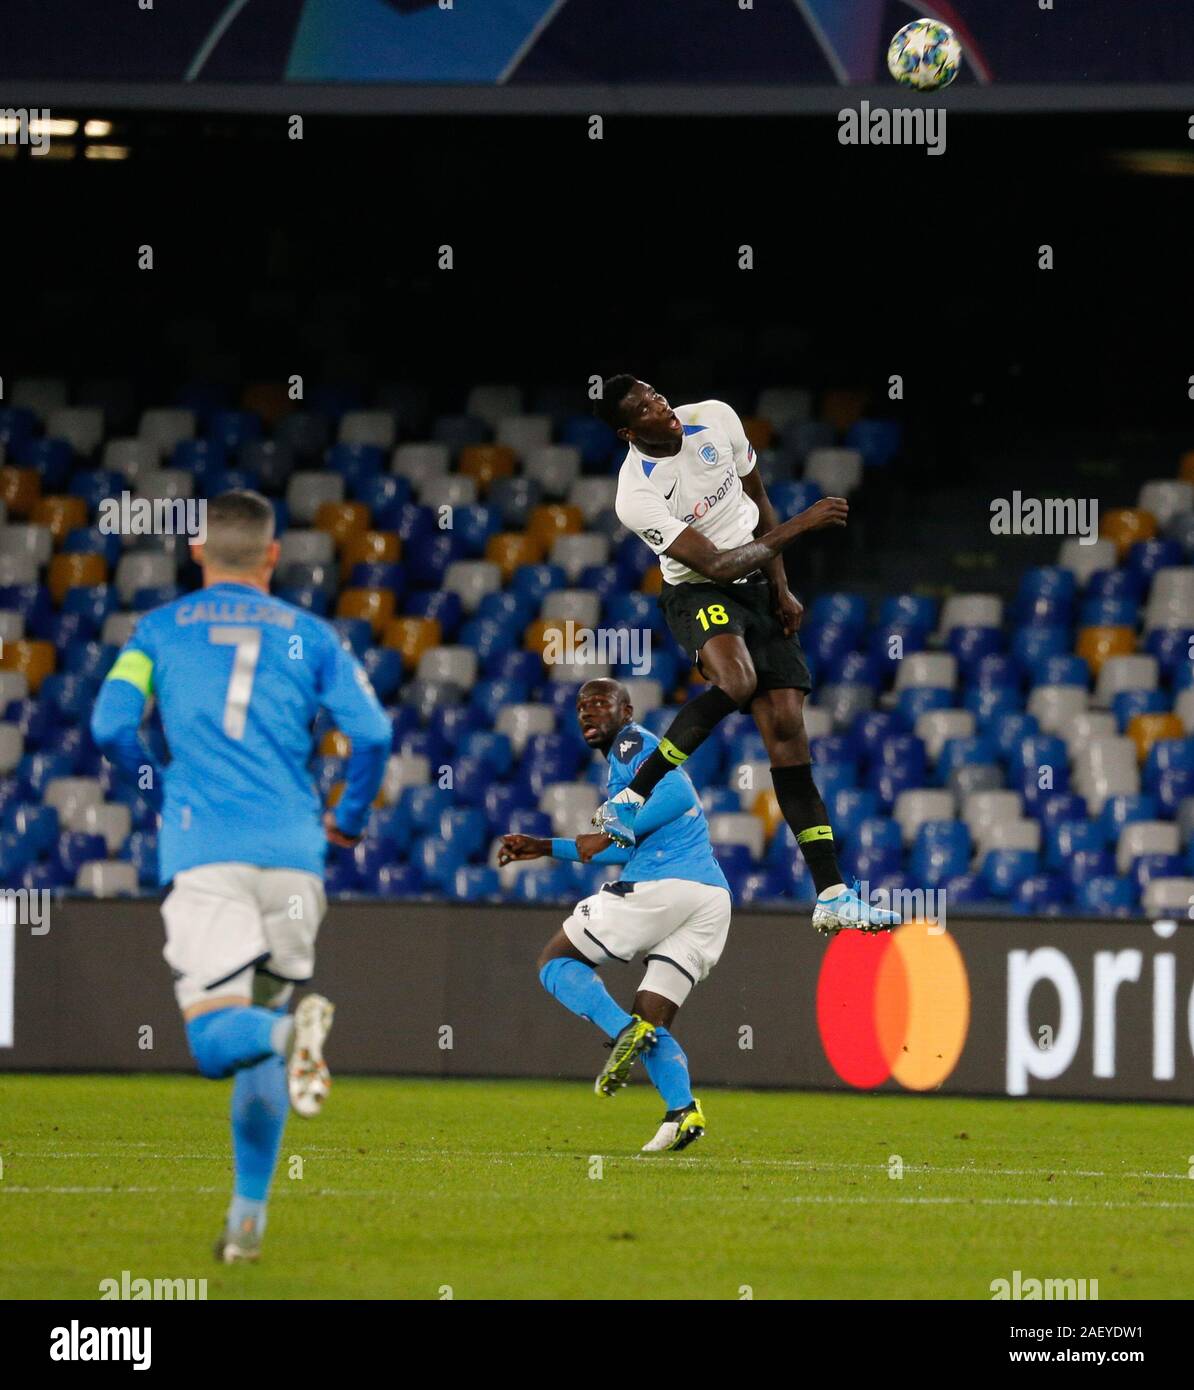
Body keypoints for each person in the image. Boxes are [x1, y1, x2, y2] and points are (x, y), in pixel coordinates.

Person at [90, 489, 391, 1261]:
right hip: (295, 861)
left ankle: (297, 1033)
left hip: (208, 855)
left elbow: (110, 725)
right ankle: (247, 1224)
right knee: (255, 1036)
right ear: (271, 555)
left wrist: (157, 780)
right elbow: (373, 733)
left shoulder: (154, 632)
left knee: (220, 1038)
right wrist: (349, 819)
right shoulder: (311, 635)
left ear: (196, 551)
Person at [593, 376, 898, 935]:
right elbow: (717, 566)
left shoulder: (716, 416)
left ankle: (832, 893)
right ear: (628, 431)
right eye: (645, 409)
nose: (661, 407)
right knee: (736, 681)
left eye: (656, 395)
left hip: (757, 579)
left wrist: (780, 588)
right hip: (699, 589)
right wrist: (804, 523)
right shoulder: (636, 494)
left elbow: (756, 503)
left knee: (787, 731)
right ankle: (631, 796)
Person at [499, 677, 731, 1153]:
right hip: (709, 899)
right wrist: (544, 847)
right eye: (581, 706)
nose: (587, 712)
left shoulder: (632, 743)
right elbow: (616, 846)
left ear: (626, 711)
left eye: (601, 703)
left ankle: (625, 1032)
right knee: (654, 1014)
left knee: (556, 962)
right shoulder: (623, 763)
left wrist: (615, 827)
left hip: (665, 883)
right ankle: (682, 1111)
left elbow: (679, 796)